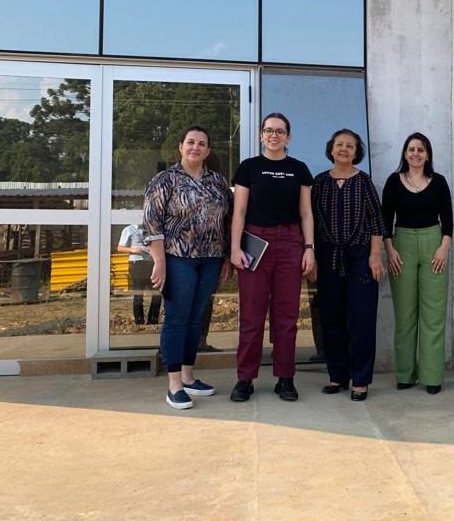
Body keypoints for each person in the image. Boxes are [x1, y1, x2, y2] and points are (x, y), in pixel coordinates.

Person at [144, 126, 233, 410]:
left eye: (202, 144)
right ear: (181, 146)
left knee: (196, 319)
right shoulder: (165, 180)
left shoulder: (218, 182)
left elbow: (228, 221)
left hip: (210, 259)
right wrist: (159, 261)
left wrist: (227, 257)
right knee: (177, 319)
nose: (196, 147)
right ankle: (174, 384)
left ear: (208, 151)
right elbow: (152, 224)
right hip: (177, 258)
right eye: (191, 142)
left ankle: (189, 376)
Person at [229, 113, 315, 403]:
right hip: (255, 242)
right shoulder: (249, 168)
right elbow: (239, 212)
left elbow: (306, 213)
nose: (274, 135)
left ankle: (285, 378)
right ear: (261, 136)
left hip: (291, 242)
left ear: (288, 137)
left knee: (287, 315)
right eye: (269, 130)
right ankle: (245, 379)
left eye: (280, 131)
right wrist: (234, 248)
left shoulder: (299, 169)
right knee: (251, 314)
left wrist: (309, 248)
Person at [311, 129, 385, 401]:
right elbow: (311, 223)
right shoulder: (319, 183)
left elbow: (378, 223)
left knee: (362, 320)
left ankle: (361, 380)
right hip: (327, 258)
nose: (344, 149)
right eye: (339, 145)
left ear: (356, 153)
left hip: (361, 258)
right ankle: (336, 376)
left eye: (350, 146)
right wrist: (312, 256)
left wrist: (375, 256)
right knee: (331, 319)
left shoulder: (364, 181)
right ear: (331, 149)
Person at [382, 132, 453, 395]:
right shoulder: (393, 181)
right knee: (405, 313)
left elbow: (448, 218)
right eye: (411, 149)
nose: (415, 154)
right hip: (402, 246)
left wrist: (444, 248)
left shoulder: (439, 182)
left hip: (434, 244)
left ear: (428, 154)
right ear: (404, 153)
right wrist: (390, 250)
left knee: (433, 313)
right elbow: (385, 219)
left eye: (420, 150)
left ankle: (432, 376)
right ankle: (405, 373)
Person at [117, 223, 161, 325]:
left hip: (152, 263)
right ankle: (139, 320)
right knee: (138, 293)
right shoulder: (129, 230)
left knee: (157, 292)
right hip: (137, 263)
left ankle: (153, 319)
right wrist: (132, 249)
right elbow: (120, 247)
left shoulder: (153, 228)